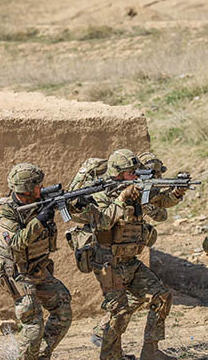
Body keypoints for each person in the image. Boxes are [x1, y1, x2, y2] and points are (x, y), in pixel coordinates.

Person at [71, 149, 186, 360]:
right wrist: (122, 198)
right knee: (120, 313)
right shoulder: (99, 194)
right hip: (108, 263)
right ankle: (110, 357)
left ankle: (151, 352)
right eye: (130, 173)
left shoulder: (136, 191)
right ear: (116, 173)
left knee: (161, 296)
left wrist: (177, 192)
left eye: (136, 171)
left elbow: (161, 202)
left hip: (131, 262)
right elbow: (104, 221)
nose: (135, 176)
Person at [0, 163, 72, 360]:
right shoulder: (5, 211)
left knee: (63, 309)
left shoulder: (40, 201)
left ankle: (40, 356)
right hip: (17, 273)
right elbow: (15, 242)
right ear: (26, 189)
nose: (42, 187)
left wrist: (79, 203)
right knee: (32, 323)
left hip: (38, 270)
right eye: (37, 185)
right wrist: (39, 220)